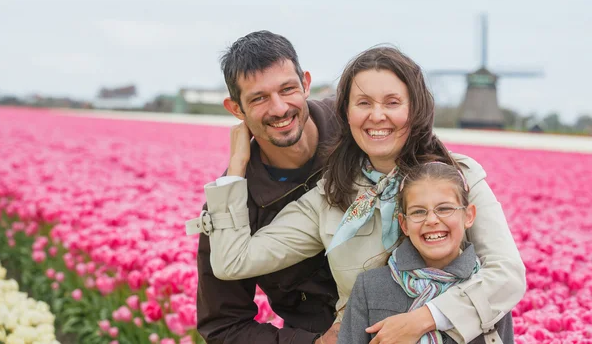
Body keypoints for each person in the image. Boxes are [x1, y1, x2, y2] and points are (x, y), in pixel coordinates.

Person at [201, 46, 526, 344]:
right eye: (364, 103)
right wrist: (235, 170)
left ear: (415, 107)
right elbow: (233, 261)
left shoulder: (459, 176)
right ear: (346, 112)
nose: (377, 115)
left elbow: (507, 274)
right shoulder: (330, 196)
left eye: (392, 102)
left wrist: (423, 319)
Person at [187, 31, 341, 344]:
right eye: (258, 98)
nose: (280, 108)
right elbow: (224, 326)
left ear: (306, 83)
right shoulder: (230, 203)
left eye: (288, 89)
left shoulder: (357, 127)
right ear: (235, 109)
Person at [338, 162, 514, 344]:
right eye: (418, 212)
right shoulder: (371, 287)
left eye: (445, 208)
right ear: (404, 224)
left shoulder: (491, 291)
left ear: (468, 216)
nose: (431, 220)